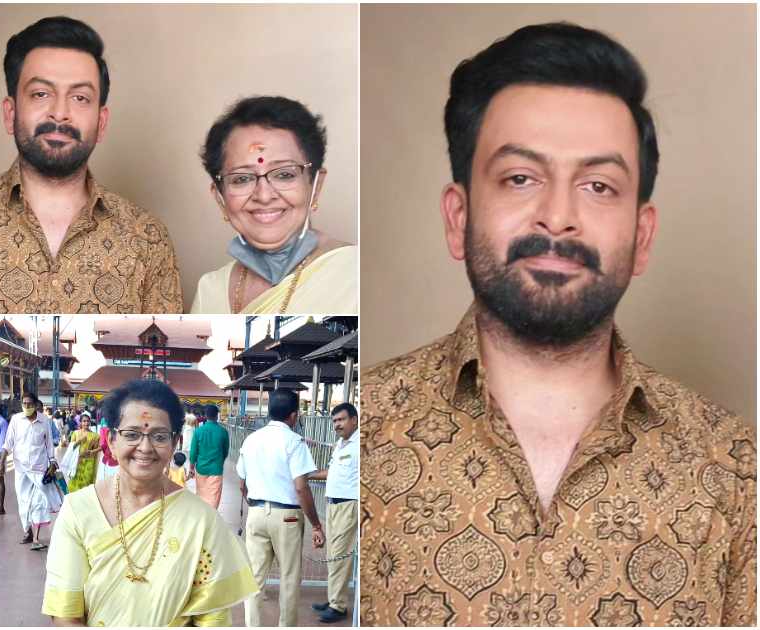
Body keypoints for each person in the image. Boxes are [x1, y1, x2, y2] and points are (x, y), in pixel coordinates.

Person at [359, 23, 756, 626]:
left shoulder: (736, 468)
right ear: (457, 216)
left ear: (641, 237)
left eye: (599, 186)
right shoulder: (361, 433)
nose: (558, 216)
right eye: (521, 178)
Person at [0, 16, 182, 313]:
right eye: (41, 94)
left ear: (101, 123)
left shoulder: (147, 238)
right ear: (10, 113)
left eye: (80, 98)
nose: (59, 113)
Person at [43, 380, 259, 625]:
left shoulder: (202, 521)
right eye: (132, 434)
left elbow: (212, 619)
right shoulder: (77, 511)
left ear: (175, 442)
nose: (145, 447)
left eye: (159, 436)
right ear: (112, 440)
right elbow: (65, 615)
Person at [191, 96, 357, 314]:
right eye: (242, 178)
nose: (264, 195)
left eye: (284, 174)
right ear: (220, 198)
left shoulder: (355, 275)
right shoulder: (210, 291)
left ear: (315, 185)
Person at [236, 388, 324, 627]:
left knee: (254, 579)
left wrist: (255, 505)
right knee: (289, 578)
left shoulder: (250, 439)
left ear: (269, 411)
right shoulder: (294, 441)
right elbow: (301, 487)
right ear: (294, 416)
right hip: (287, 517)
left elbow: (241, 483)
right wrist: (316, 524)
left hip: (255, 513)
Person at [307, 403, 358, 623]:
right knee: (332, 555)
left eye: (342, 420)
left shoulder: (359, 444)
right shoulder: (341, 444)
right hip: (333, 505)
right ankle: (334, 598)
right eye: (335, 421)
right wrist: (307, 475)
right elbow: (332, 472)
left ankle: (338, 607)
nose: (337, 424)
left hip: (349, 504)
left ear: (354, 419)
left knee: (339, 555)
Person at [0, 391, 63, 551]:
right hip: (21, 469)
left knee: (38, 502)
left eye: (29, 404)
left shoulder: (44, 421)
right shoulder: (16, 420)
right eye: (24, 404)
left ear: (35, 405)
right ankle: (27, 530)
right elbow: (8, 443)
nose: (26, 406)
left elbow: (49, 445)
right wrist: (1, 461)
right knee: (24, 501)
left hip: (39, 468)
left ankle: (35, 537)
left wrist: (53, 462)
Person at [189, 403, 231, 509]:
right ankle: (210, 520)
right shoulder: (223, 432)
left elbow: (193, 452)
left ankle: (202, 518)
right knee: (213, 499)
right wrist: (220, 461)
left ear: (205, 416)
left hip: (201, 468)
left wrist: (191, 467)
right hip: (216, 469)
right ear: (217, 416)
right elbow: (225, 451)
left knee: (201, 496)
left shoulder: (198, 431)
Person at [66, 412, 100, 493]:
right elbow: (71, 448)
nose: (86, 423)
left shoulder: (95, 435)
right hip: (77, 462)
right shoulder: (75, 433)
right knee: (74, 483)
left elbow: (98, 449)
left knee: (86, 483)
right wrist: (79, 441)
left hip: (89, 462)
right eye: (84, 421)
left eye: (88, 421)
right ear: (80, 422)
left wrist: (92, 451)